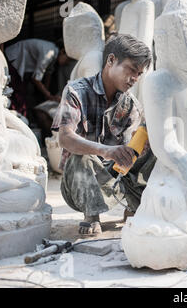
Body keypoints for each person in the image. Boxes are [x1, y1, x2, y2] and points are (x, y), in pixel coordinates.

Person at [51, 34, 157, 235]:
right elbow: (65, 138)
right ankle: (92, 215)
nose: (134, 78)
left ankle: (135, 206)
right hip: (80, 184)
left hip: (114, 179)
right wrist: (106, 151)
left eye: (139, 74)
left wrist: (141, 147)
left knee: (155, 151)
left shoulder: (131, 104)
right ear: (111, 60)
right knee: (82, 156)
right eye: (131, 70)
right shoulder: (76, 91)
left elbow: (128, 155)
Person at [5, 39, 67, 120]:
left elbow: (48, 74)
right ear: (62, 51)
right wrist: (48, 95)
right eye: (68, 59)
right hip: (14, 57)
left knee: (23, 92)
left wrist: (47, 94)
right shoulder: (49, 53)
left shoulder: (53, 56)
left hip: (22, 64)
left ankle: (23, 117)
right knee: (18, 93)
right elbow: (35, 79)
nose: (67, 63)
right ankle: (18, 118)